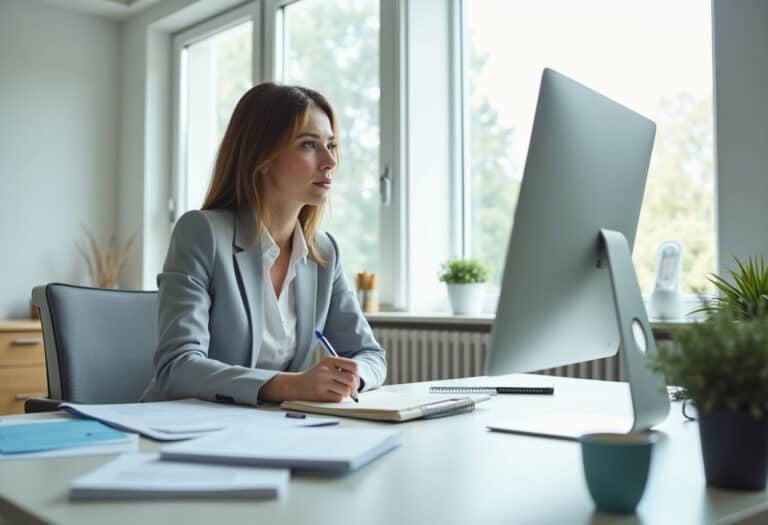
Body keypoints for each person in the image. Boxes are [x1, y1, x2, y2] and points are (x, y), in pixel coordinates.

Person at [142, 83, 386, 406]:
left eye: (331, 145)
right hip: (181, 429)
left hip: (270, 431)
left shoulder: (324, 252)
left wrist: (354, 376)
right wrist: (290, 386)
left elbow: (371, 355)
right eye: (309, 145)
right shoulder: (201, 233)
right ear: (263, 158)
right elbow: (178, 366)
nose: (329, 161)